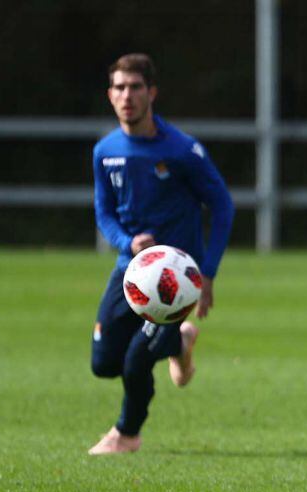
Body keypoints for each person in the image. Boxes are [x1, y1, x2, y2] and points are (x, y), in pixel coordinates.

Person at [88, 53, 234, 455]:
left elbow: (222, 205)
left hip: (176, 280)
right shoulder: (105, 151)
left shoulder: (181, 149)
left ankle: (126, 435)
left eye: (135, 87)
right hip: (129, 272)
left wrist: (207, 273)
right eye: (119, 87)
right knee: (103, 363)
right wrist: (126, 243)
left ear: (151, 92)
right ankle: (180, 345)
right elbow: (104, 211)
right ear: (110, 94)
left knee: (136, 362)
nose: (127, 95)